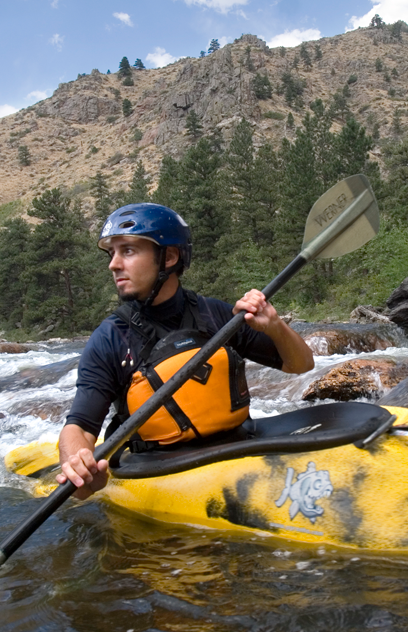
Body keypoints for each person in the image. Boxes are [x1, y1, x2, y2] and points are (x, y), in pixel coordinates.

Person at [57, 203, 315, 499]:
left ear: (169, 257)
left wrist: (275, 326)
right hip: (159, 469)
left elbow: (301, 365)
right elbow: (79, 426)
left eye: (127, 251)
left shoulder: (217, 315)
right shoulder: (111, 338)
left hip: (239, 449)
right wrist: (77, 463)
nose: (113, 264)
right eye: (112, 253)